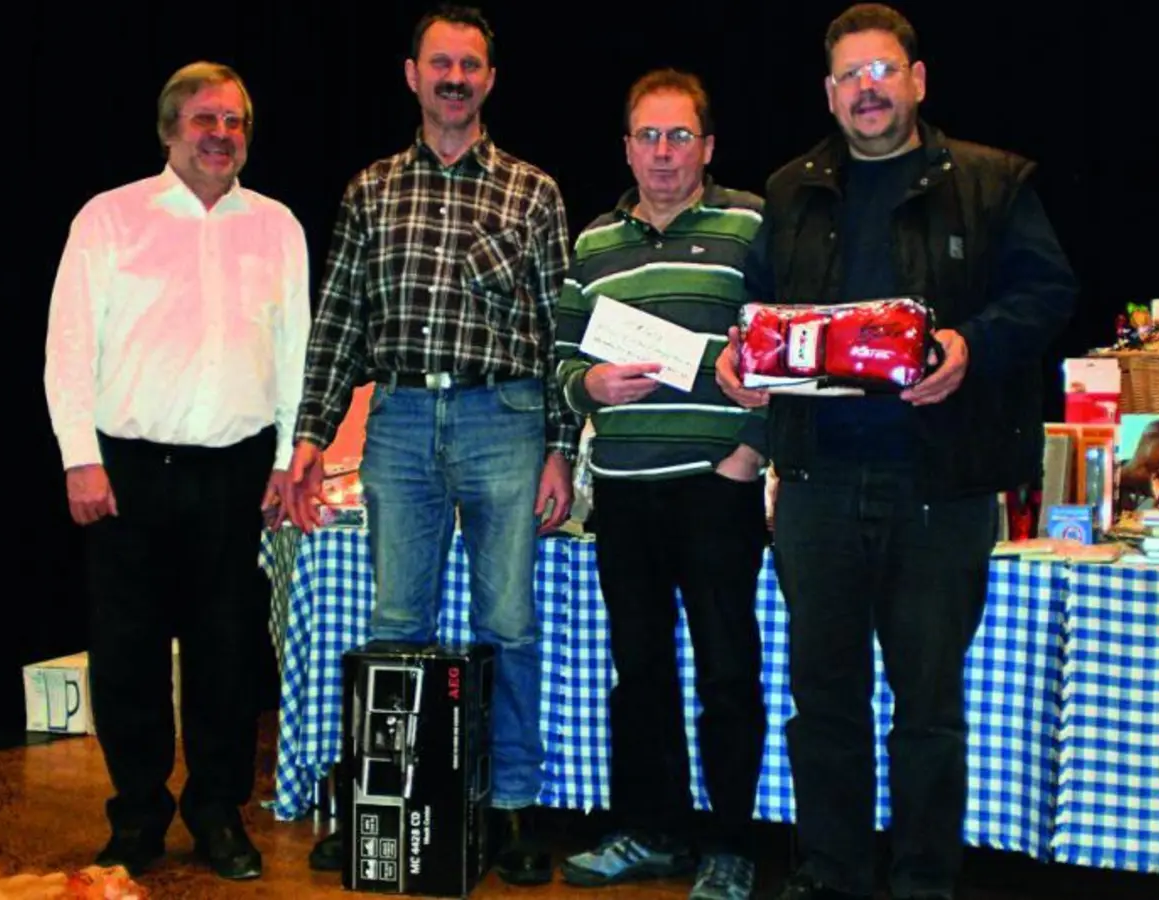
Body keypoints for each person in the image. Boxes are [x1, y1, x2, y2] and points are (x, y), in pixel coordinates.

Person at [715, 5, 1079, 899]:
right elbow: (758, 311)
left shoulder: (994, 182)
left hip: (939, 488)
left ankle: (924, 883)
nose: (867, 89)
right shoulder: (791, 187)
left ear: (918, 80)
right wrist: (739, 359)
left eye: (883, 71)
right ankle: (830, 877)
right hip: (815, 486)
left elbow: (1048, 293)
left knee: (927, 713)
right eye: (849, 76)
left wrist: (970, 346)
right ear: (829, 94)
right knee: (823, 709)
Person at [285, 4, 574, 886]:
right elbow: (337, 320)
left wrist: (561, 446)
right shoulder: (370, 189)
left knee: (509, 622)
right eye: (440, 62)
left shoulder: (534, 191)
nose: (455, 77)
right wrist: (308, 435)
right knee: (394, 626)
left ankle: (514, 805)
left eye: (472, 64)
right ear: (411, 73)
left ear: (491, 79)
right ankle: (384, 801)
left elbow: (563, 332)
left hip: (507, 420)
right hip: (401, 422)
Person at [43, 61, 311, 881]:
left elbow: (295, 353)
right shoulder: (109, 219)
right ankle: (137, 814)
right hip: (127, 470)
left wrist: (281, 461)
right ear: (169, 130)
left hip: (234, 474)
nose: (221, 135)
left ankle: (217, 810)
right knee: (126, 653)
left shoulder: (277, 226)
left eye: (234, 122)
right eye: (204, 119)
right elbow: (67, 348)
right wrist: (80, 459)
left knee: (226, 652)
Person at [554, 69, 769, 900]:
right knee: (638, 671)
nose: (665, 153)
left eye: (681, 136)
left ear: (709, 147)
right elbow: (561, 357)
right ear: (626, 148)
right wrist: (588, 389)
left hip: (717, 486)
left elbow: (787, 347)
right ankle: (655, 831)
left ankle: (732, 844)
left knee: (726, 671)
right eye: (649, 135)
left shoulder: (753, 225)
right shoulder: (594, 244)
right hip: (624, 491)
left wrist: (746, 452)